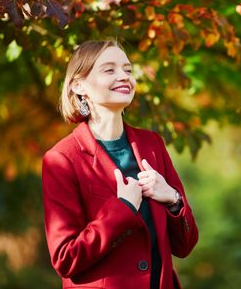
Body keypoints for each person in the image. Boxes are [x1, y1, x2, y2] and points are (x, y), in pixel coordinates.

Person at [42, 40, 198, 289]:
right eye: (109, 70)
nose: (124, 76)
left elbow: (185, 245)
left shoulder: (153, 145)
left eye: (127, 69)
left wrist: (173, 199)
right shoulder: (62, 159)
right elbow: (65, 259)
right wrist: (123, 208)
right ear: (79, 86)